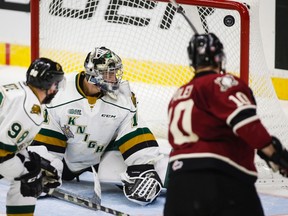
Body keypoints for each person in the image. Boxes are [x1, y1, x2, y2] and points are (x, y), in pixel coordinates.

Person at [164, 33, 288, 216]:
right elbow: (246, 123)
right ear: (219, 58)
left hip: (178, 186)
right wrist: (276, 155)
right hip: (221, 180)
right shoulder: (222, 82)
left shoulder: (178, 94)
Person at [31, 47, 163, 206]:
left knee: (153, 168)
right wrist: (43, 166)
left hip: (103, 157)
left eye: (115, 73)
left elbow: (134, 130)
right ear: (93, 74)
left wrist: (144, 167)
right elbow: (48, 133)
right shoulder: (60, 94)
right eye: (109, 73)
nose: (114, 78)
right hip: (67, 160)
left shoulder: (123, 99)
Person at [0, 57, 65, 216]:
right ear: (48, 84)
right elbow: (1, 153)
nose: (56, 89)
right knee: (30, 177)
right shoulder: (30, 110)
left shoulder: (19, 89)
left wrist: (30, 159)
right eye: (56, 84)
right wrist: (32, 170)